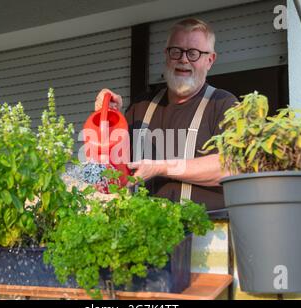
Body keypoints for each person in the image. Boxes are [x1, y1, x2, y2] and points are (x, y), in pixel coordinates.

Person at [94, 18, 238, 210]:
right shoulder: (141, 107)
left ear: (210, 60)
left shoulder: (223, 105)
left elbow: (232, 166)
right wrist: (109, 118)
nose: (183, 59)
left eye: (193, 53)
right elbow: (111, 166)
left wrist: (161, 167)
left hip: (206, 234)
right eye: (176, 51)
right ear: (166, 55)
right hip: (142, 231)